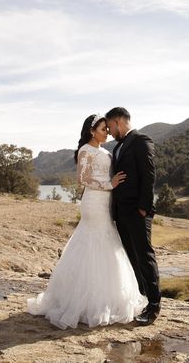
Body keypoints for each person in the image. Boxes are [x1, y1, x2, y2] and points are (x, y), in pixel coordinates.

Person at [27, 114, 147, 329]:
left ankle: (106, 299)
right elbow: (82, 179)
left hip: (107, 202)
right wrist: (109, 184)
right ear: (92, 131)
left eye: (107, 129)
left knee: (108, 242)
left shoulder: (105, 152)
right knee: (94, 241)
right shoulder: (86, 150)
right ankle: (84, 304)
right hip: (93, 202)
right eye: (103, 129)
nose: (106, 132)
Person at [105, 107, 161, 326]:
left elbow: (149, 175)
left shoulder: (140, 140)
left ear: (118, 122)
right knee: (131, 257)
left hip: (137, 212)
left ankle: (154, 306)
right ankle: (142, 300)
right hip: (121, 213)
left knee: (144, 256)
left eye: (110, 127)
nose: (109, 132)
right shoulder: (119, 146)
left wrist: (144, 208)